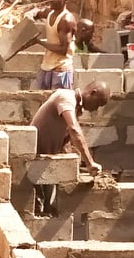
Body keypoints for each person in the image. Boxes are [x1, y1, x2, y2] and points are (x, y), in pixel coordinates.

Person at [30, 81, 110, 215]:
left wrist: (73, 167)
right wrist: (90, 163)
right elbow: (74, 130)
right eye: (98, 104)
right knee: (37, 210)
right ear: (92, 93)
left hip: (48, 163)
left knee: (50, 211)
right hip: (35, 160)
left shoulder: (75, 108)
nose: (96, 109)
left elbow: (66, 139)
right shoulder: (66, 97)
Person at [29, 0, 78, 90]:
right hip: (47, 66)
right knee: (42, 100)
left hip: (62, 70)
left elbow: (63, 49)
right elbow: (39, 13)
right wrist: (31, 14)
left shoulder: (66, 20)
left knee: (62, 100)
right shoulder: (50, 13)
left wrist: (39, 42)